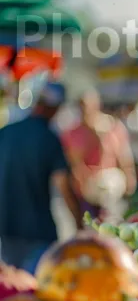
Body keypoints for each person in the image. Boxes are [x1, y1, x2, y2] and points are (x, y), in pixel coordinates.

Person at [0, 82, 83, 272]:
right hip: (39, 232)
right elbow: (64, 186)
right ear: (54, 108)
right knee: (37, 292)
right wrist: (79, 225)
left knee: (12, 288)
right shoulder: (49, 138)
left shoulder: (6, 132)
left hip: (7, 229)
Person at [61, 90, 137, 218]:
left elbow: (123, 155)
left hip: (110, 187)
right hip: (85, 190)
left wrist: (129, 176)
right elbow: (74, 162)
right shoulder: (72, 133)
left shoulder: (114, 127)